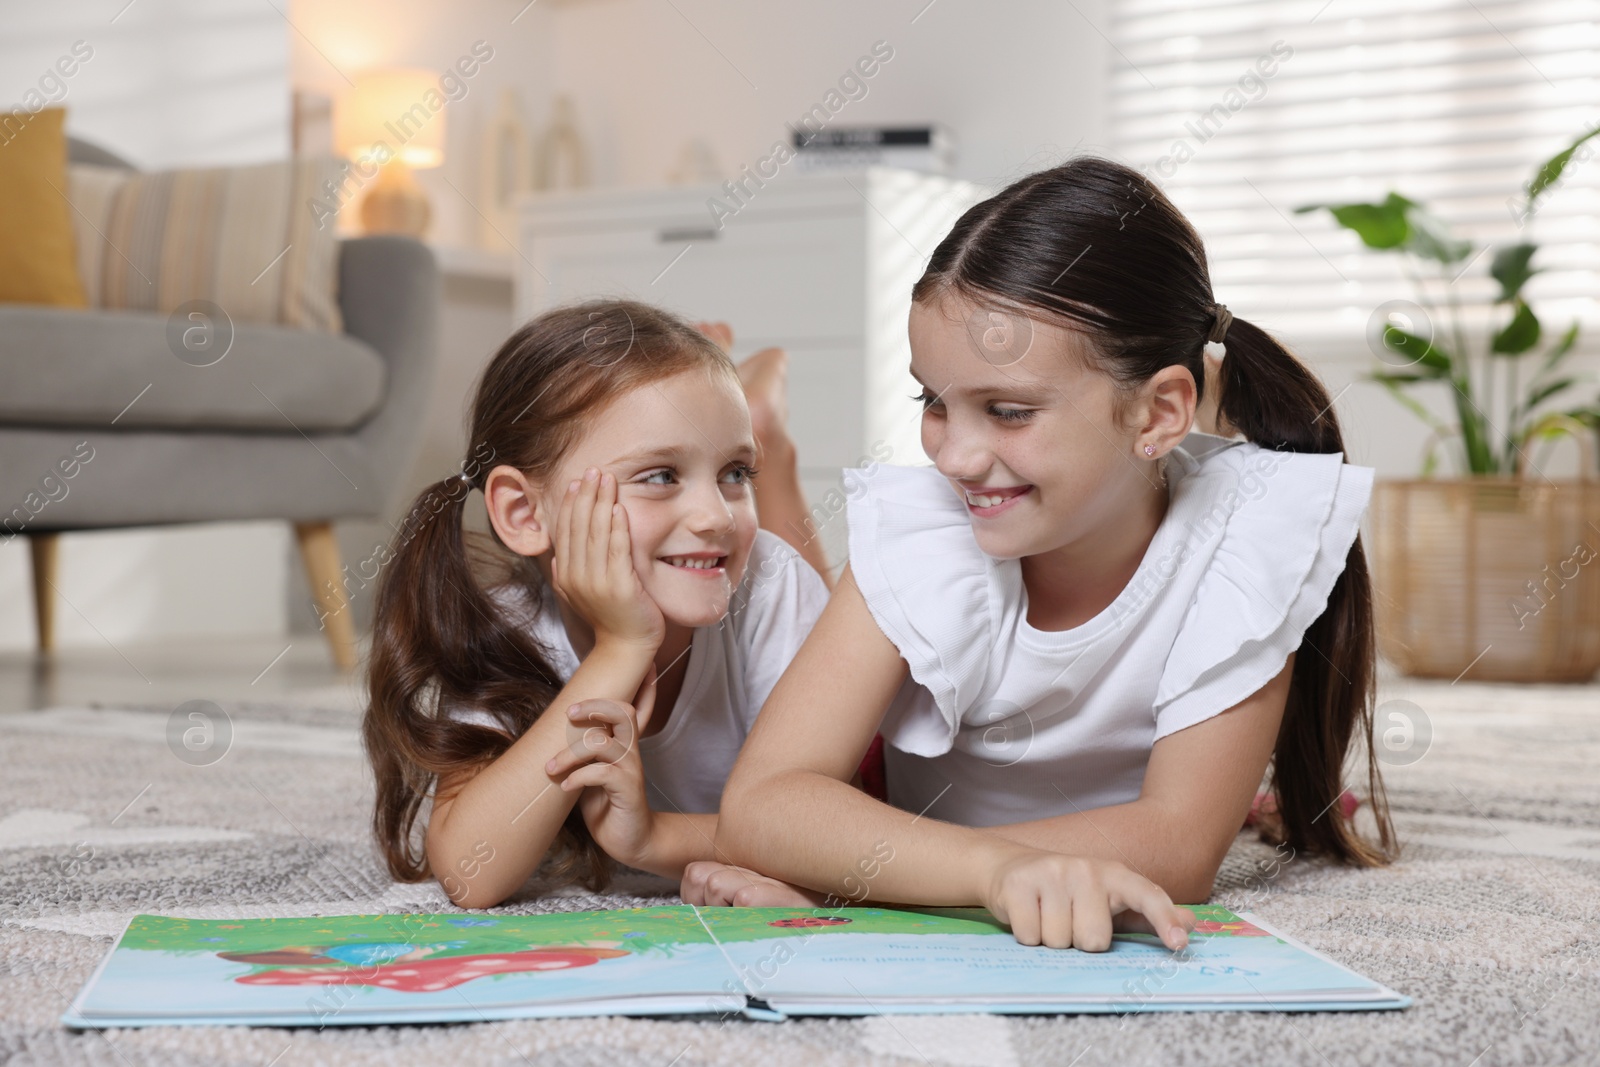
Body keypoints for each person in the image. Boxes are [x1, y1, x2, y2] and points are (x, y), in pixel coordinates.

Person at [706, 156, 1395, 951]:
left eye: (1006, 410)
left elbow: (1179, 849)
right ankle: (772, 451)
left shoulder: (1244, 539)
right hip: (889, 758)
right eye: (931, 401)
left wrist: (868, 865)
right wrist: (988, 874)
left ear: (1160, 412)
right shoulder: (933, 528)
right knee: (808, 599)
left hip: (923, 821)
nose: (955, 455)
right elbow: (760, 806)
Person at [364, 299, 832, 909]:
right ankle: (753, 421)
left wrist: (651, 843)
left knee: (788, 565)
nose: (716, 514)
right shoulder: (505, 625)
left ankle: (770, 441)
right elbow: (471, 872)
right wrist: (621, 649)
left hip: (774, 585)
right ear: (526, 513)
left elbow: (830, 834)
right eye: (661, 474)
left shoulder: (774, 588)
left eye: (736, 472)